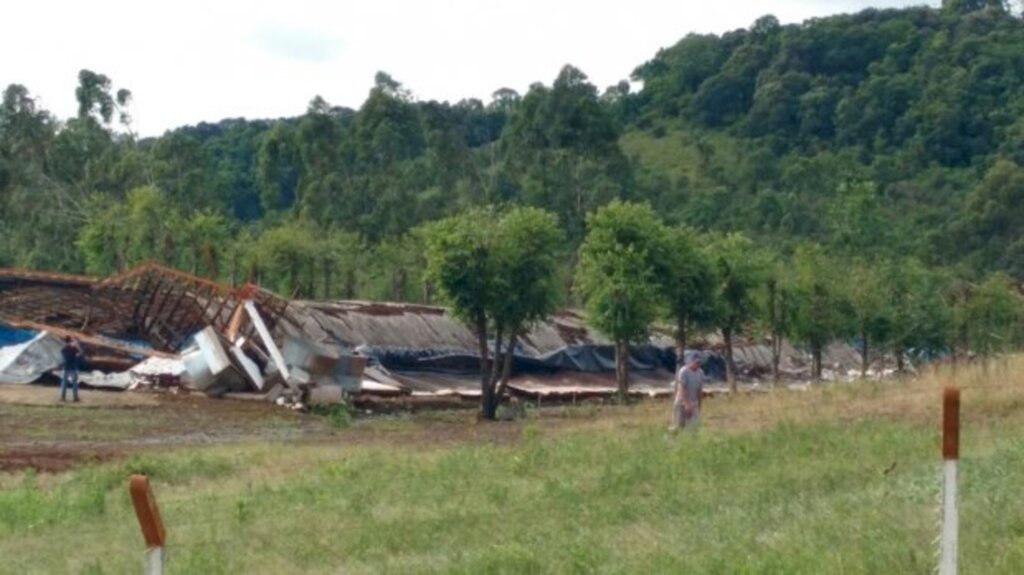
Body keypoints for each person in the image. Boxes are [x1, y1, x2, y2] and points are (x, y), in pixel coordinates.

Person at [671, 356, 705, 431]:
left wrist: (699, 404)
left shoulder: (700, 372)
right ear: (691, 361)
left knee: (694, 427)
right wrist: (687, 404)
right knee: (678, 426)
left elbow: (699, 389)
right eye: (696, 362)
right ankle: (671, 440)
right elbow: (682, 388)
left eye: (700, 363)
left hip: (694, 402)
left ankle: (691, 441)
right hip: (682, 401)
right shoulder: (684, 371)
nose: (698, 364)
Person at [60, 336, 81, 402]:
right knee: (74, 383)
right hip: (73, 367)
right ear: (70, 341)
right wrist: (76, 343)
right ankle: (75, 398)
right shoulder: (73, 348)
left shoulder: (63, 349)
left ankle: (63, 398)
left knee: (64, 383)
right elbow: (79, 353)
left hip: (65, 367)